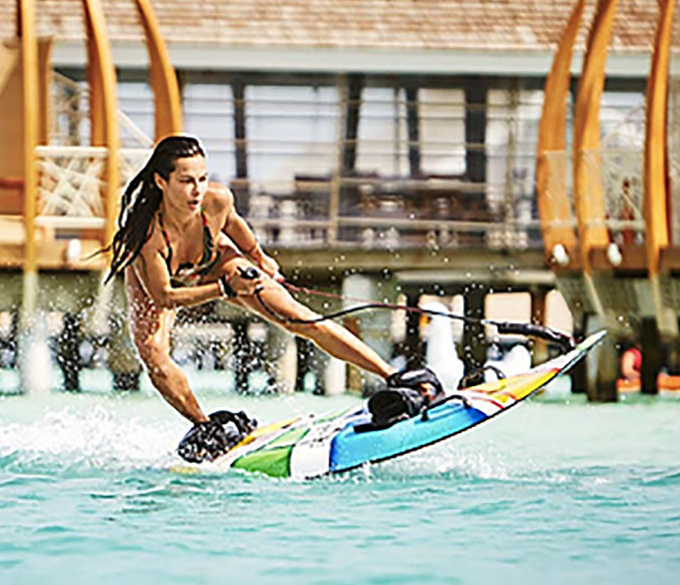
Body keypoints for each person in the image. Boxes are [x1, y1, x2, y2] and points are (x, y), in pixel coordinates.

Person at [106, 135, 441, 462]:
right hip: (160, 285)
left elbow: (235, 227)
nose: (197, 190)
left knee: (299, 317)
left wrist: (260, 258)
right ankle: (207, 427)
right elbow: (165, 296)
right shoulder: (148, 236)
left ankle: (393, 377)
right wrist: (225, 289)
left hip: (215, 262)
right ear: (161, 182)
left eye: (202, 179)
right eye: (185, 181)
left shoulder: (216, 200)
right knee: (154, 357)